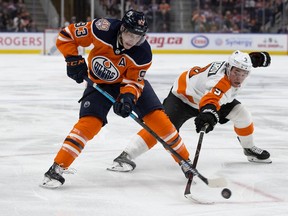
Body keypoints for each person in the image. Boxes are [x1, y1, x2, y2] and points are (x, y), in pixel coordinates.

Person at [40, 10, 192, 188]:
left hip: (127, 84)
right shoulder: (102, 29)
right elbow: (66, 36)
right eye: (130, 34)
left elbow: (134, 81)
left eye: (138, 36)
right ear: (122, 28)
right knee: (88, 124)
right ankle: (57, 167)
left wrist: (128, 98)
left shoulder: (143, 52)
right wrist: (73, 60)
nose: (132, 40)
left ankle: (185, 161)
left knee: (158, 119)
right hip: (99, 84)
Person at [108, 50, 272, 176]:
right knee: (162, 128)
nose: (239, 77)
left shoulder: (236, 68)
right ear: (229, 68)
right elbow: (210, 99)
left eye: (244, 73)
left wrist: (256, 59)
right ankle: (126, 155)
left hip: (212, 98)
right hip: (184, 97)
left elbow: (243, 64)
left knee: (243, 116)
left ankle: (249, 149)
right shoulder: (220, 82)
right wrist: (208, 113)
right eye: (236, 72)